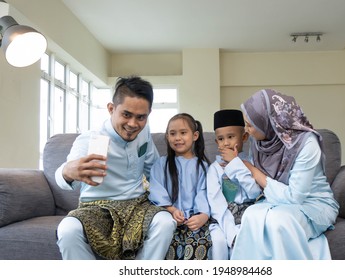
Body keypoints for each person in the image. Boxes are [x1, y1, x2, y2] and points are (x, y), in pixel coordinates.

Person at [55, 76, 176, 260]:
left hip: (138, 205)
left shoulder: (144, 133)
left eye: (141, 117)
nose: (133, 124)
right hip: (96, 207)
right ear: (111, 109)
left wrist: (172, 202)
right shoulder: (90, 139)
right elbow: (62, 177)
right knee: (67, 230)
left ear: (148, 114)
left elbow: (155, 171)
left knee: (165, 222)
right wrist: (67, 172)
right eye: (126, 114)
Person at [230, 89, 339, 260]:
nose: (246, 130)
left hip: (312, 204)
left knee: (278, 222)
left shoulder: (307, 144)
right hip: (276, 202)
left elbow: (295, 197)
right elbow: (257, 190)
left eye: (250, 125)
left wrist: (253, 171)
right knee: (251, 216)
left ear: (269, 122)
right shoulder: (260, 143)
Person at [148, 113, 212, 260]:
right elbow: (156, 190)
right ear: (167, 137)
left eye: (183, 133)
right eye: (172, 133)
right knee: (169, 246)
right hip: (169, 218)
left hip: (195, 221)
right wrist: (171, 209)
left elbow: (205, 192)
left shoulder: (203, 167)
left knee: (200, 244)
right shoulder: (161, 165)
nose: (177, 138)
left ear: (195, 136)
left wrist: (203, 215)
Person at [207, 109, 262, 260]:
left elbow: (254, 193)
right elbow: (216, 205)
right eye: (221, 139)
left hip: (249, 215)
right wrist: (231, 233)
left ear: (244, 137)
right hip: (223, 220)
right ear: (216, 141)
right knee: (218, 243)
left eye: (231, 137)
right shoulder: (214, 169)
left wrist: (235, 164)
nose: (226, 142)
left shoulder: (252, 164)